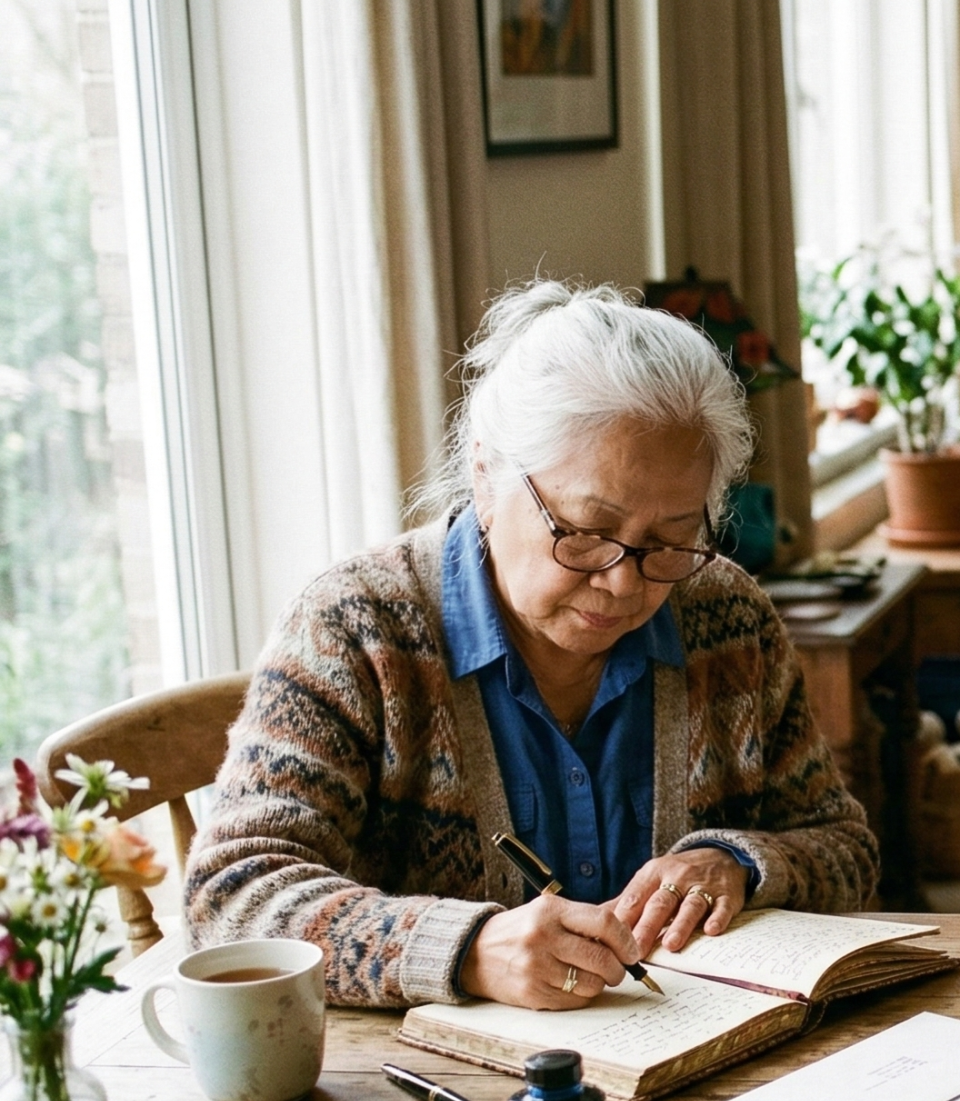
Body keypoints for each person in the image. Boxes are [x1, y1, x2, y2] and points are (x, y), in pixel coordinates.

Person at [187, 282, 877, 1010]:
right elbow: (233, 897)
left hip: (702, 1063)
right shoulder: (356, 629)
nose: (621, 583)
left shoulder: (726, 617)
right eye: (584, 531)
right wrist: (465, 952)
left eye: (671, 542)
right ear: (486, 476)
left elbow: (846, 849)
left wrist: (739, 862)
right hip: (438, 1096)